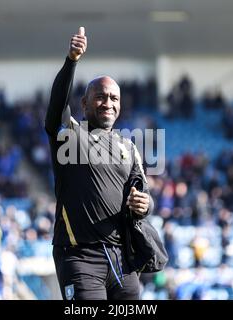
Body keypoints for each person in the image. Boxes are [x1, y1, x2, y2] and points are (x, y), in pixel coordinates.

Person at [45, 27, 154, 300]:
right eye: (101, 96)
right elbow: (56, 107)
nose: (108, 103)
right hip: (79, 255)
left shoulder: (128, 147)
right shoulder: (70, 136)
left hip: (121, 259)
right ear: (84, 104)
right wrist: (72, 60)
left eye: (114, 98)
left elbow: (144, 197)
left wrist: (144, 204)